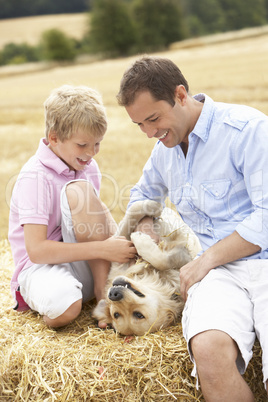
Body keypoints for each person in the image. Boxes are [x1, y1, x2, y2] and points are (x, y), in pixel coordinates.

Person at [117, 56, 268, 401]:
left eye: (153, 119)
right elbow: (143, 193)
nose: (150, 133)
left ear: (181, 95)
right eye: (139, 125)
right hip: (217, 275)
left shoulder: (248, 130)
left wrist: (205, 260)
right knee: (209, 352)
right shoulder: (163, 152)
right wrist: (144, 224)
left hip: (262, 261)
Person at [8, 84, 136, 329]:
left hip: (84, 263)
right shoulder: (34, 177)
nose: (91, 153)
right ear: (54, 137)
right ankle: (45, 304)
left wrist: (110, 249)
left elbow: (91, 226)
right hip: (40, 268)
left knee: (140, 280)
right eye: (82, 145)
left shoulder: (88, 168)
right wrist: (104, 249)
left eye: (97, 144)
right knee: (67, 307)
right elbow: (37, 251)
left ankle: (102, 294)